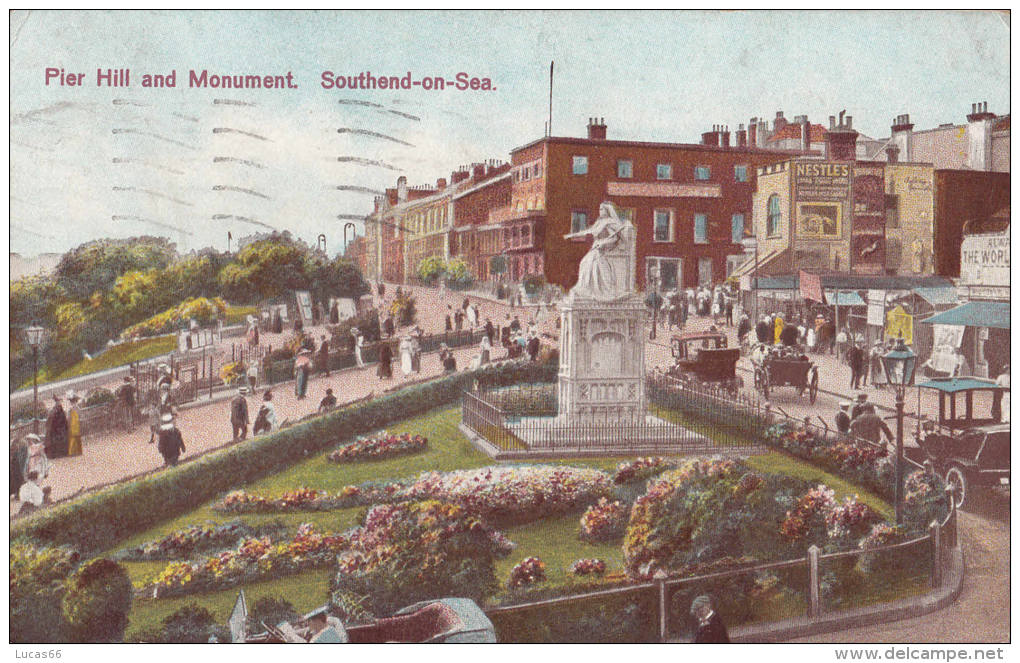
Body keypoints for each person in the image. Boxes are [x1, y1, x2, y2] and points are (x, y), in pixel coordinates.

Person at [45, 394, 69, 459]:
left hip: (59, 428)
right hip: (57, 429)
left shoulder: (56, 410)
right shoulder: (55, 411)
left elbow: (62, 420)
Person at [10, 435, 30, 499]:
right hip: (16, 470)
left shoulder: (22, 450)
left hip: (18, 470)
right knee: (17, 482)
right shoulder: (18, 451)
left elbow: (22, 462)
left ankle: (19, 495)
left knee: (18, 482)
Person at [66, 390, 83, 457]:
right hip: (75, 424)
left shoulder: (71, 409)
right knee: (75, 437)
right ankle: (77, 451)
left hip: (73, 424)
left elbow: (68, 417)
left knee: (73, 437)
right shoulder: (76, 408)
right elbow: (80, 415)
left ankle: (73, 452)